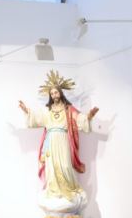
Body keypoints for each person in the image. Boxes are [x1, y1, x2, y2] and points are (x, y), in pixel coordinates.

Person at [18, 70, 99, 209]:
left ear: (61, 93)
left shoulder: (68, 109)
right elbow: (36, 119)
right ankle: (54, 192)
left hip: (63, 140)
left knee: (65, 166)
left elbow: (80, 119)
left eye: (56, 92)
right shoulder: (47, 110)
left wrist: (89, 116)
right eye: (52, 93)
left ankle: (68, 190)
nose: (54, 95)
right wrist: (27, 111)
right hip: (50, 141)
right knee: (51, 168)